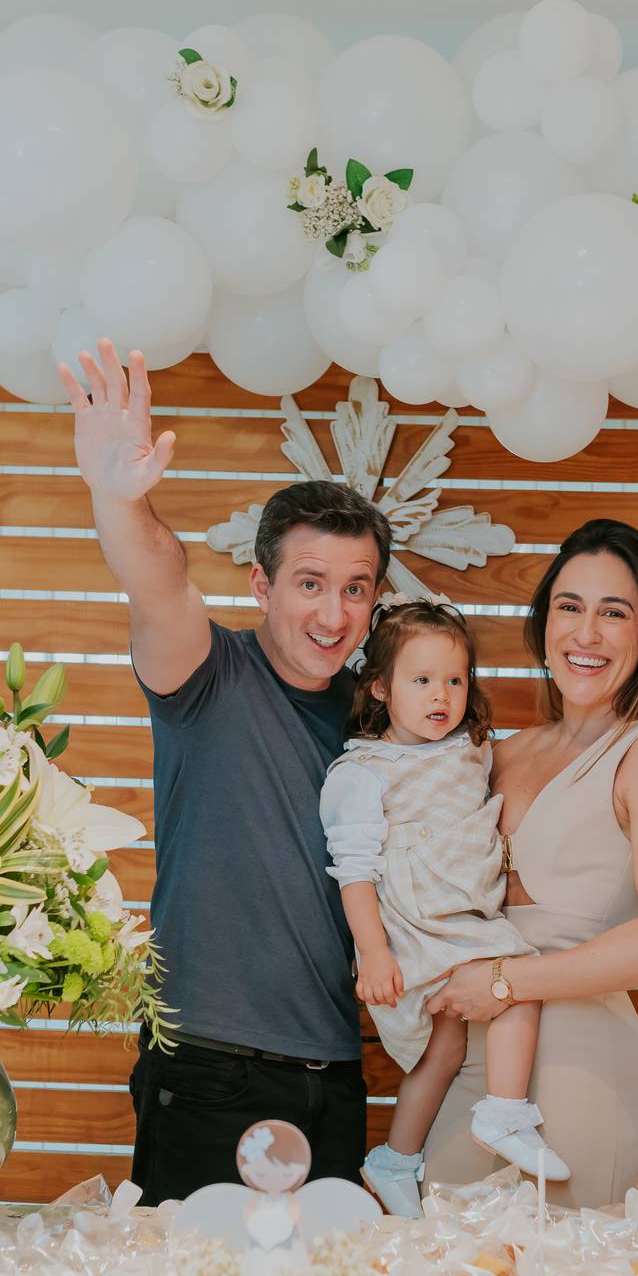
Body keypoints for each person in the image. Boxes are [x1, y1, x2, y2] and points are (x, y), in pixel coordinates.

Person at [57, 339, 392, 1203]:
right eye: (310, 582)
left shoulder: (381, 718)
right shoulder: (208, 674)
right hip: (208, 1071)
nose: (333, 611)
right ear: (262, 585)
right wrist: (118, 499)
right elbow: (160, 583)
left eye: (356, 589)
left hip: (336, 1074)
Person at [420, 519, 638, 1210]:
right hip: (476, 1057)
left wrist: (502, 983)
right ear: (543, 621)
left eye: (614, 613)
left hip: (583, 1061)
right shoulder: (498, 753)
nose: (587, 633)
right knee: (445, 1273)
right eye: (569, 607)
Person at [319, 594, 569, 1218]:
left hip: (464, 917)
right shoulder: (363, 773)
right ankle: (506, 1113)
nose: (442, 695)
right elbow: (353, 872)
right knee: (519, 984)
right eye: (422, 679)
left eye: (455, 680)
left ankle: (395, 1159)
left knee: (448, 1050)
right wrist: (372, 953)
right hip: (415, 928)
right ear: (379, 688)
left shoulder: (470, 750)